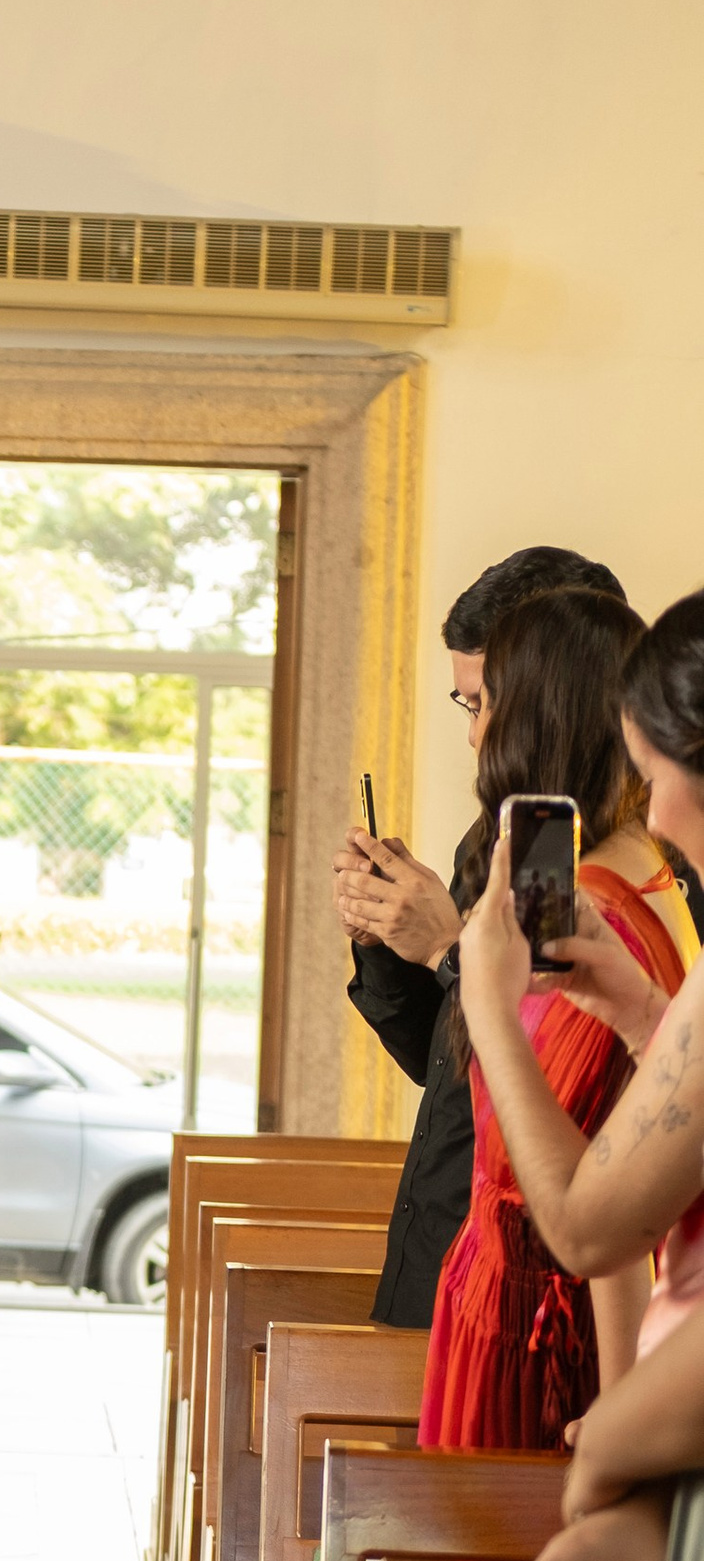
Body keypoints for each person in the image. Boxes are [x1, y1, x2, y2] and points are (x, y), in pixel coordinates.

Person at [335, 545, 627, 1326]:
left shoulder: (569, 847)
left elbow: (546, 1054)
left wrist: (444, 947)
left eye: (483, 702)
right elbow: (452, 1058)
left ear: (553, 686)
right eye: (467, 704)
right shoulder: (514, 834)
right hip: (443, 1231)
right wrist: (386, 939)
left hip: (521, 1269)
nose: (475, 736)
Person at [421, 581, 684, 1450]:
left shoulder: (601, 897)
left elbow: (601, 1212)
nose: (473, 730)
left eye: (484, 702)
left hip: (529, 1329)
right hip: (512, 1297)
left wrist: (618, 1420)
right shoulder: (635, 871)